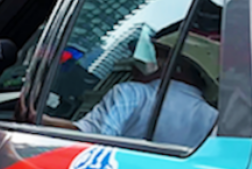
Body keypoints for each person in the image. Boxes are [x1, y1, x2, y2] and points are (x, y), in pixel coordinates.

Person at [42, 30, 219, 149]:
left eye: (158, 55)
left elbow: (93, 140)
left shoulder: (132, 94)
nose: (146, 61)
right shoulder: (214, 118)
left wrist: (41, 120)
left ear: (177, 66)